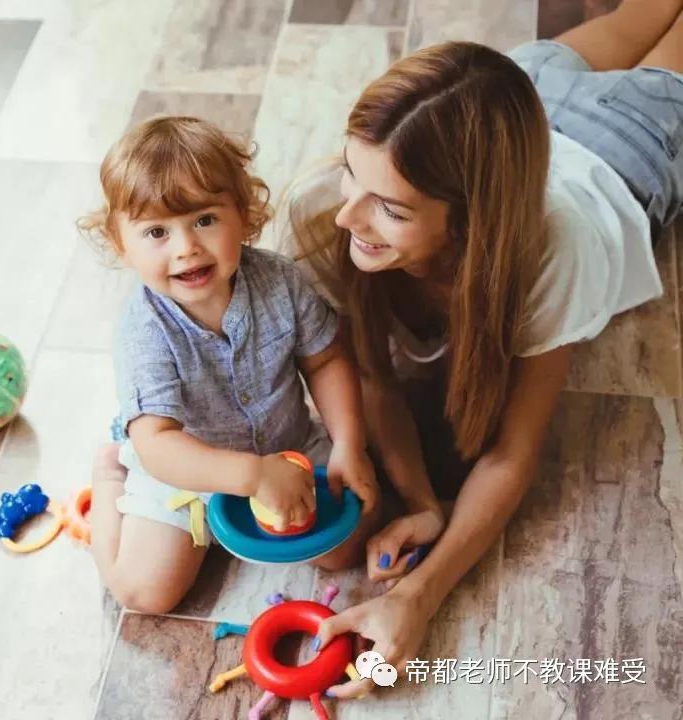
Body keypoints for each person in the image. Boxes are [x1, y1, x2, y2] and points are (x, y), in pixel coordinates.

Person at [282, 1, 683, 699]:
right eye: (353, 173)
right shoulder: (329, 210)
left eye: (391, 209)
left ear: (471, 227)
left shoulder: (552, 257)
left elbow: (512, 453)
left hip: (626, 144)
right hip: (523, 90)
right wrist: (420, 500)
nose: (349, 216)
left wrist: (420, 597)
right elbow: (371, 377)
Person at [78, 116, 380, 614]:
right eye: (156, 232)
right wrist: (250, 477)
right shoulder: (144, 331)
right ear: (121, 246)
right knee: (144, 593)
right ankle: (110, 477)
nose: (186, 247)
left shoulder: (280, 281)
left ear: (243, 214)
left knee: (350, 542)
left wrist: (349, 442)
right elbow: (159, 444)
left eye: (204, 220)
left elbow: (326, 361)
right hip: (182, 472)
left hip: (289, 447)